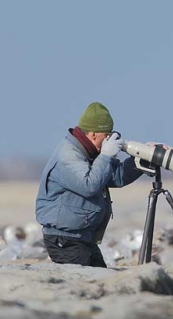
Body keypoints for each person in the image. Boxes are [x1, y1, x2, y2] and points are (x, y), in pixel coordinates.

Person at [35, 102, 143, 267]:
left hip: (82, 237)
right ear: (93, 135)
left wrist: (143, 159)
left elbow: (118, 177)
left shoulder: (91, 153)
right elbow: (89, 185)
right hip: (65, 239)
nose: (108, 141)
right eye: (106, 136)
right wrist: (106, 156)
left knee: (102, 280)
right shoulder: (68, 155)